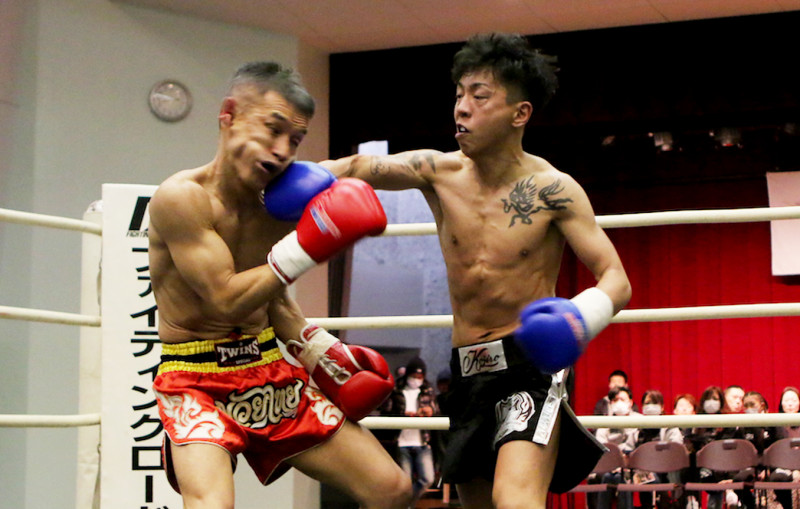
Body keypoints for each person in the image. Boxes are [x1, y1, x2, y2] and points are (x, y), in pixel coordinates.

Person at [321, 31, 632, 509]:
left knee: (515, 500)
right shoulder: (437, 172)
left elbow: (616, 278)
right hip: (467, 370)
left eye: (479, 96)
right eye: (458, 95)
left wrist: (578, 317)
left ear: (520, 113)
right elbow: (358, 166)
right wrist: (279, 180)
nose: (462, 109)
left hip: (530, 366)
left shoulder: (554, 189)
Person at [147, 61, 412, 509]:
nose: (283, 150)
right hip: (195, 378)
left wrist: (318, 348)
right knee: (212, 505)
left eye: (295, 139)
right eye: (273, 130)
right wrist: (308, 244)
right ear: (229, 115)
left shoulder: (288, 195)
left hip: (267, 367)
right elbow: (226, 299)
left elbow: (359, 165)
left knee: (392, 490)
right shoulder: (182, 198)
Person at [385, 357, 439, 508]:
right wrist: (404, 414)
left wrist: (429, 411)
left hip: (422, 440)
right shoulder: (396, 391)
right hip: (402, 441)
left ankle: (406, 505)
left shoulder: (428, 390)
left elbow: (435, 409)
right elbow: (386, 411)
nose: (416, 380)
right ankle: (405, 505)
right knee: (405, 482)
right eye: (413, 376)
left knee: (428, 478)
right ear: (408, 375)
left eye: (419, 377)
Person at [595, 386, 640, 509]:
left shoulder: (640, 420)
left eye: (622, 399)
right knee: (608, 476)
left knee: (623, 477)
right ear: (611, 403)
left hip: (634, 467)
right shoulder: (605, 422)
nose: (619, 403)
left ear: (630, 402)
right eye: (615, 400)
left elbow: (640, 446)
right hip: (609, 467)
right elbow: (601, 446)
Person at [770, 386, 800, 509]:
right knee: (777, 477)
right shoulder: (774, 425)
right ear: (781, 404)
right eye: (787, 400)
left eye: (794, 400)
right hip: (783, 467)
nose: (790, 404)